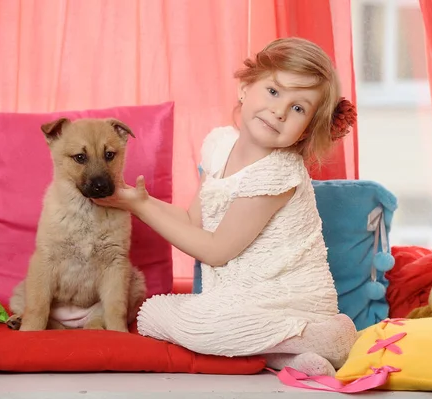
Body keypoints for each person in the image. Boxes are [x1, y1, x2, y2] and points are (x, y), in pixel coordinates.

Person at [94, 37, 358, 376]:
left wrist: (141, 208)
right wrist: (138, 200)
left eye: (298, 108)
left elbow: (216, 251)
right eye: (274, 92)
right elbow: (193, 221)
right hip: (240, 302)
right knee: (152, 316)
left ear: (306, 129)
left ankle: (320, 335)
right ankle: (289, 355)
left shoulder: (277, 171)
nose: (279, 110)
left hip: (291, 303)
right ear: (245, 88)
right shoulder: (220, 146)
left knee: (172, 319)